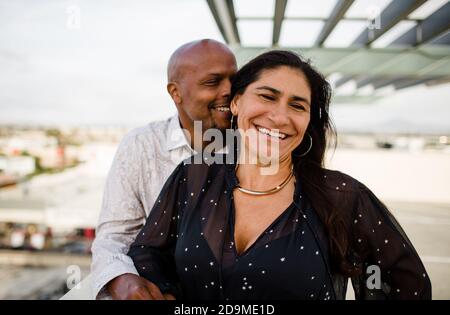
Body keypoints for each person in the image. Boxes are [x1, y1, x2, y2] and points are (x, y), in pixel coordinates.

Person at [127, 50, 432, 300]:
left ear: (308, 120)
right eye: (267, 96)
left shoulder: (342, 196)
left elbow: (407, 286)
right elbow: (148, 251)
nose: (280, 117)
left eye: (297, 105)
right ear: (235, 102)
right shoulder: (192, 176)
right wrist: (163, 292)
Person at [90, 39, 237, 300]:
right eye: (213, 82)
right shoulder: (141, 145)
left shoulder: (256, 146)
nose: (229, 90)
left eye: (234, 80)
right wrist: (121, 279)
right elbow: (114, 235)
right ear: (175, 93)